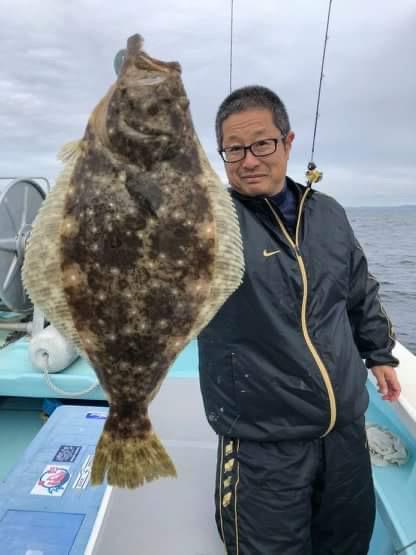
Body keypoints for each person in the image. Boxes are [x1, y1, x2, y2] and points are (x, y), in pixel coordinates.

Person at [197, 85, 401, 555]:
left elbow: (358, 290)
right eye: (234, 149)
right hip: (262, 441)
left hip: (344, 430)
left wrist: (378, 353)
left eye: (262, 144)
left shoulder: (329, 213)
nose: (248, 160)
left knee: (347, 542)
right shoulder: (208, 222)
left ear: (288, 142)